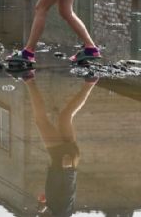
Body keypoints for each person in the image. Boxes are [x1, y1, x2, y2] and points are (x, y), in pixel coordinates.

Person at [22, 70, 98, 216]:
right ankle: (29, 80)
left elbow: (56, 200)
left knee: (65, 116)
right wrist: (68, 169)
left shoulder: (57, 213)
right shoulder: (63, 214)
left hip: (68, 158)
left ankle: (90, 82)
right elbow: (68, 194)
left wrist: (43, 205)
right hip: (62, 161)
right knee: (41, 121)